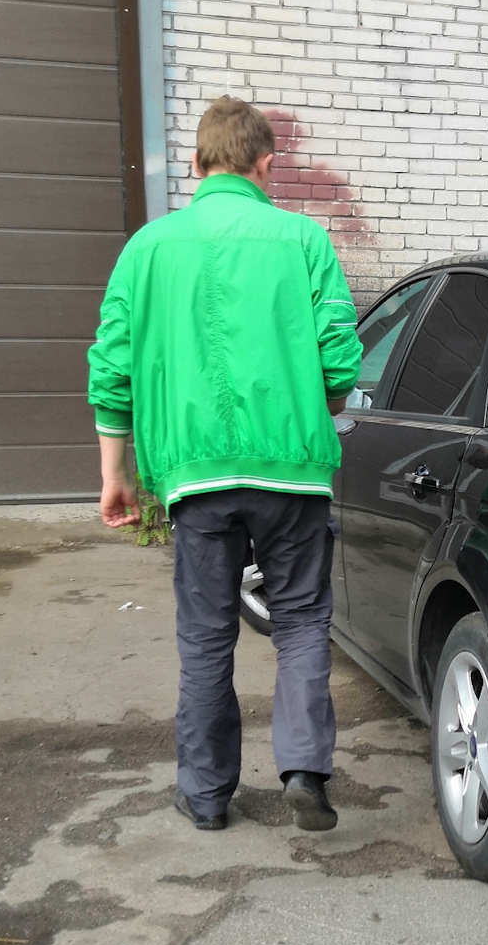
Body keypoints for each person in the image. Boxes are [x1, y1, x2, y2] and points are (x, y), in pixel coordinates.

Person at [87, 97, 363, 833]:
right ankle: (304, 771)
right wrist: (310, 404)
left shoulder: (148, 248)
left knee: (207, 636)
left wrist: (116, 473)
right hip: (293, 474)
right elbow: (341, 357)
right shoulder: (303, 239)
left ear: (197, 162)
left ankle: (207, 796)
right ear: (266, 164)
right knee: (301, 621)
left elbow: (112, 368)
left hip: (196, 478)